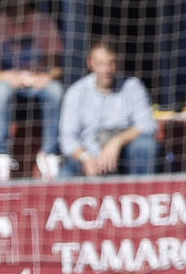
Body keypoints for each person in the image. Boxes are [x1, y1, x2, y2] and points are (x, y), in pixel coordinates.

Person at [0, 0, 65, 182]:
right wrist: (8, 77)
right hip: (6, 85)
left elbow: (58, 70)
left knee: (55, 91)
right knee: (2, 91)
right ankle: (1, 156)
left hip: (36, 83)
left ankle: (49, 154)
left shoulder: (44, 23)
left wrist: (45, 77)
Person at [59, 39, 158, 178]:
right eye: (100, 63)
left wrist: (117, 142)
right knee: (64, 175)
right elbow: (67, 139)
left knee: (146, 146)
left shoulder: (133, 86)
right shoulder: (76, 92)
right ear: (90, 63)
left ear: (118, 62)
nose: (106, 70)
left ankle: (141, 194)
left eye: (111, 63)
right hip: (88, 156)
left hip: (124, 155)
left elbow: (148, 124)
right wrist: (86, 158)